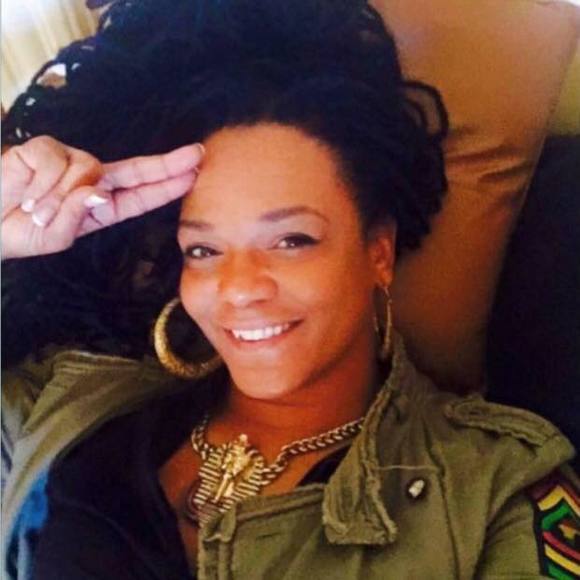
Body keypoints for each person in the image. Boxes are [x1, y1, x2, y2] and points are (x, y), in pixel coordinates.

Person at [1, 1, 577, 579]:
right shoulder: (72, 396)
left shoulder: (498, 486)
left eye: (291, 240)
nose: (240, 288)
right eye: (204, 250)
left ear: (378, 251)